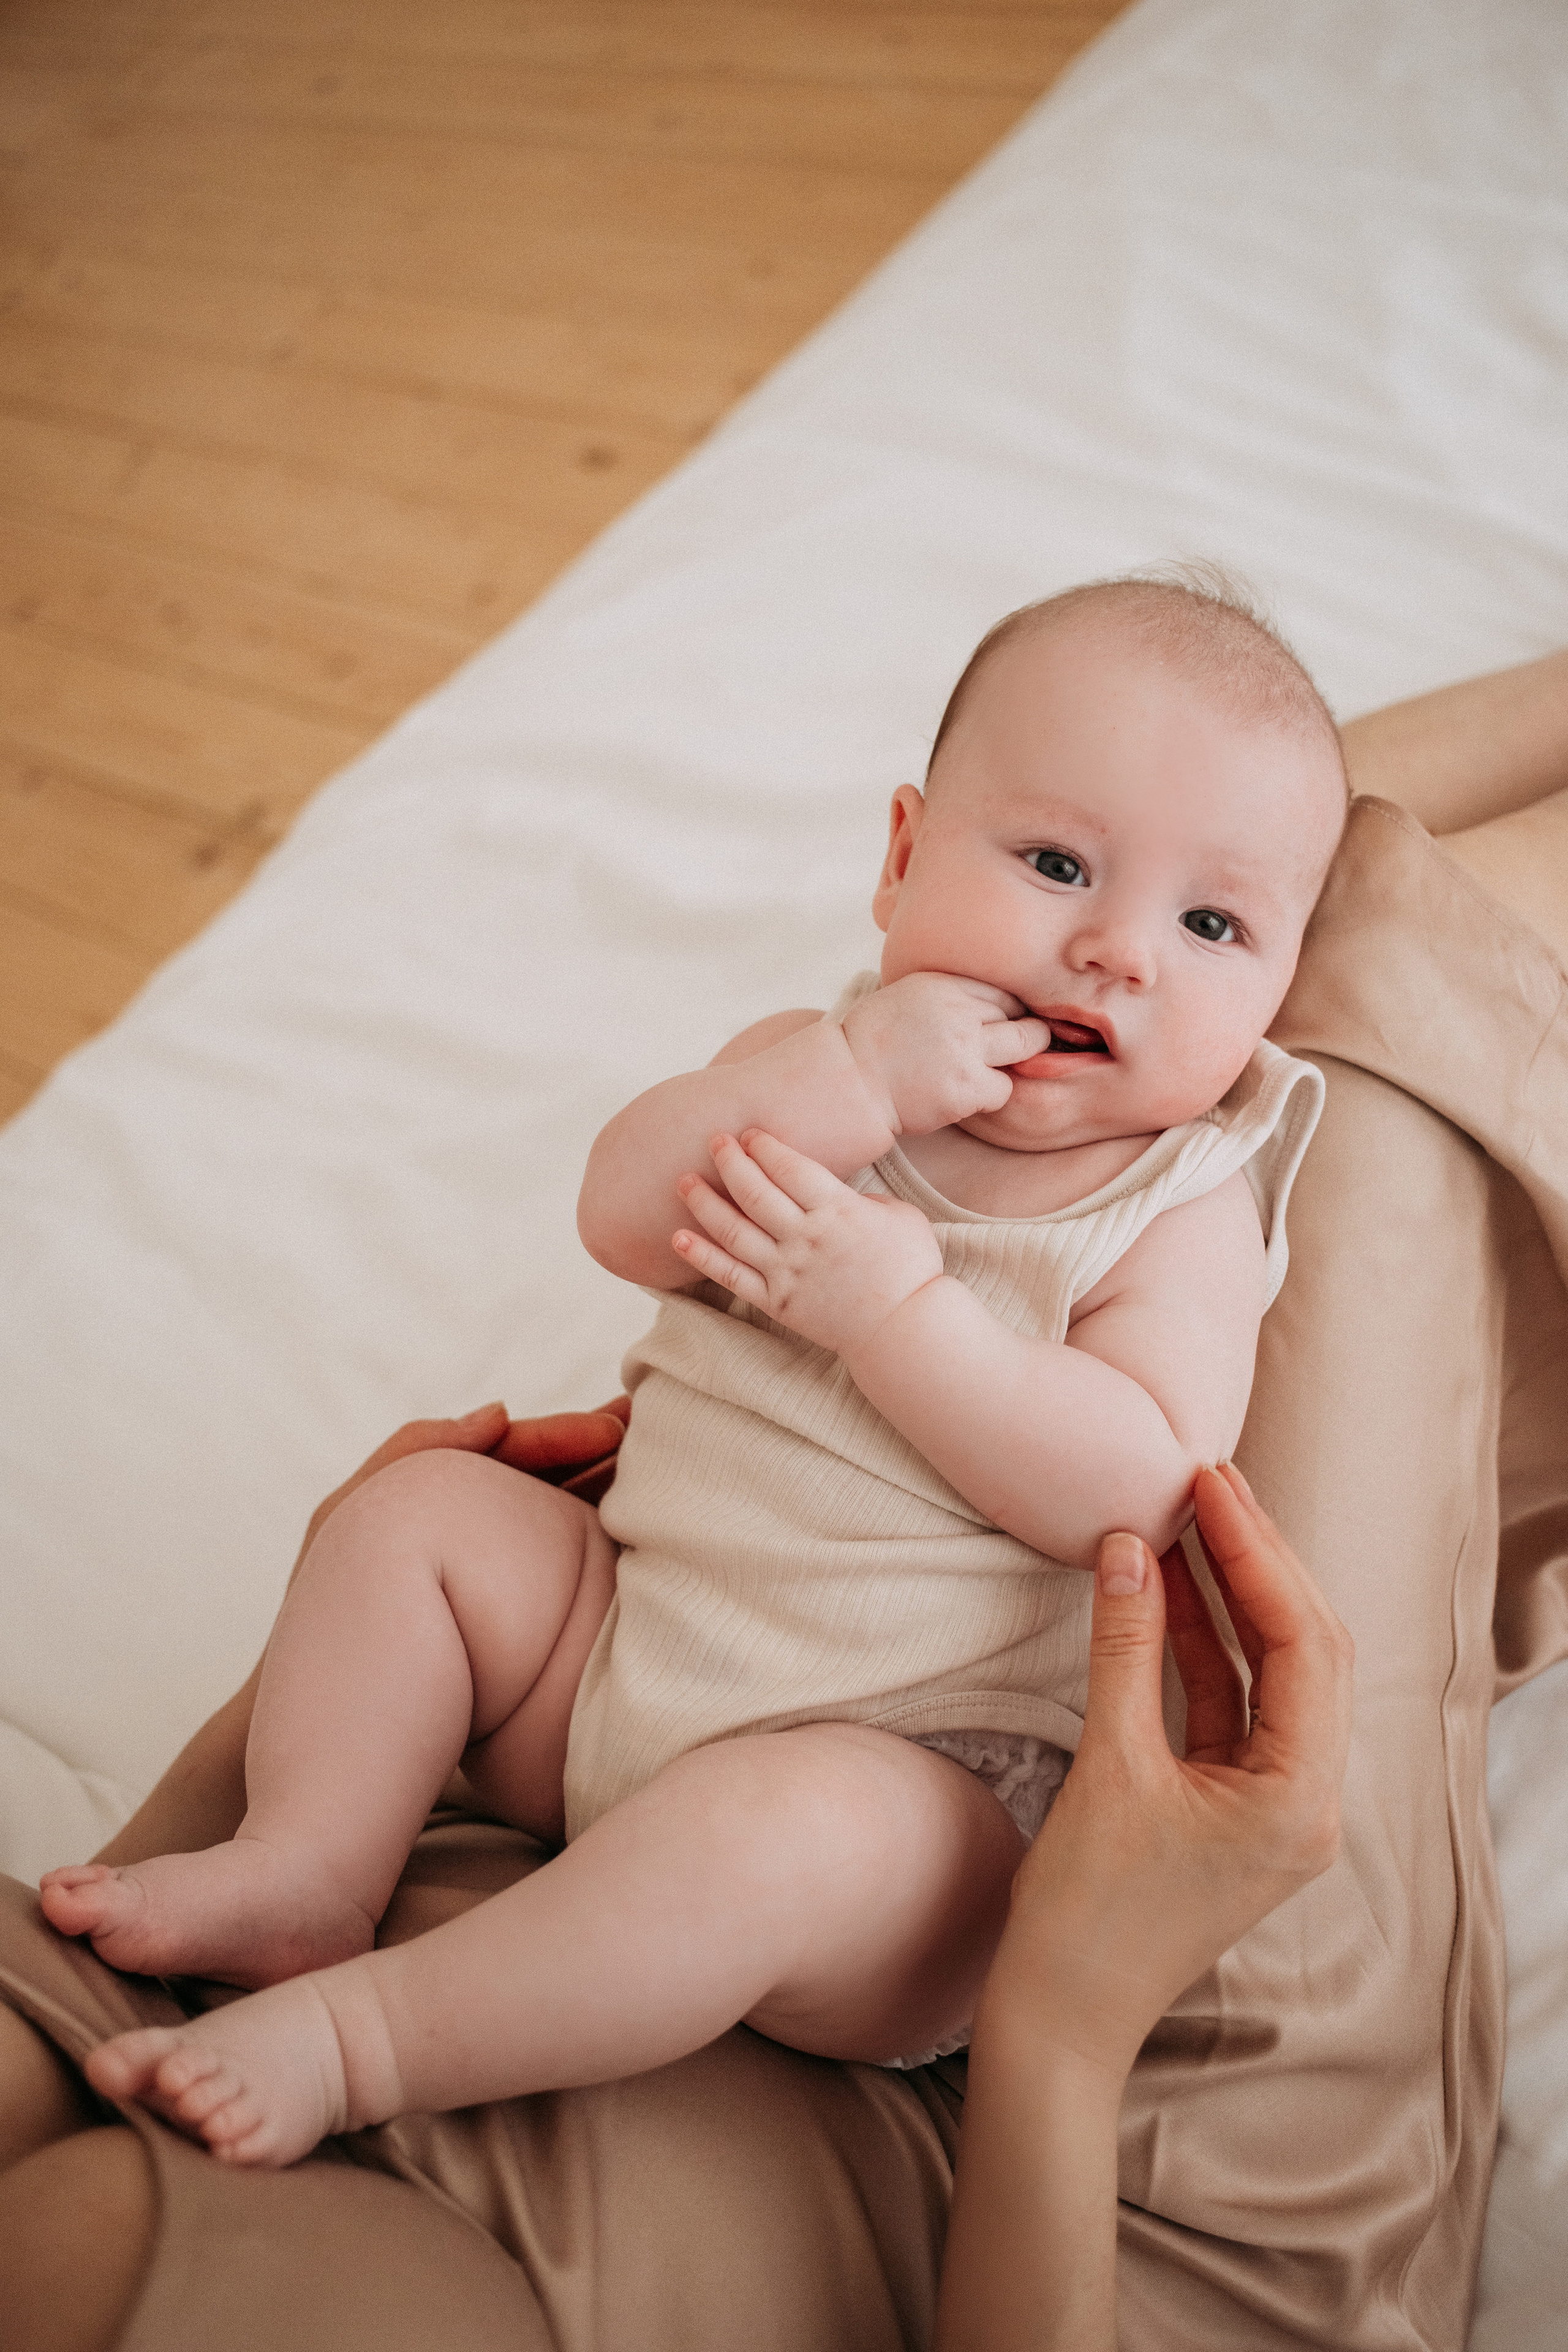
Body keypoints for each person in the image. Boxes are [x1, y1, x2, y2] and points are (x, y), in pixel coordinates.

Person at [0, 644, 1564, 2351]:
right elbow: (624, 1208)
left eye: (1217, 931)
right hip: (615, 1657)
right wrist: (848, 1086)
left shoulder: (1182, 1200)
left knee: (765, 1822)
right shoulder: (826, 1069)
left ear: (1273, 1001)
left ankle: (362, 2036)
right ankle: (310, 1862)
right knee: (424, 1534)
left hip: (911, 1793)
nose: (1116, 948)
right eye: (1052, 867)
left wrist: (897, 1318)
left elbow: (1128, 1476)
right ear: (900, 862)